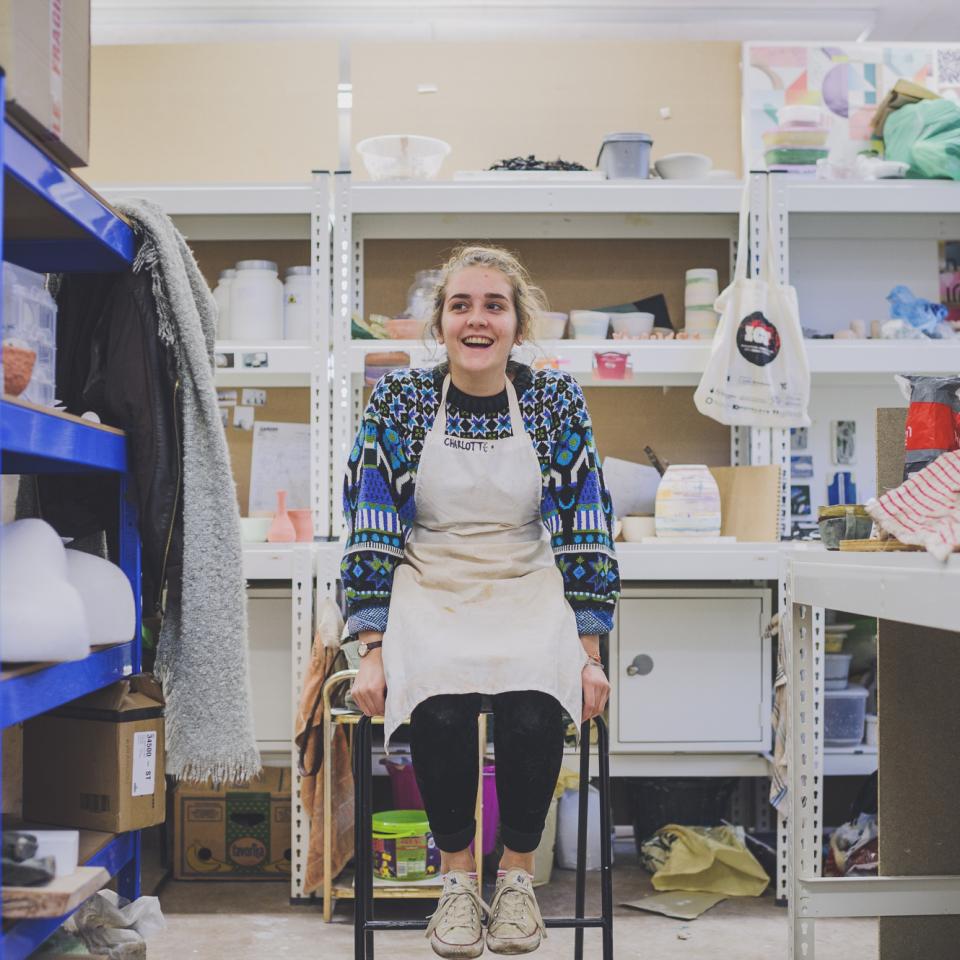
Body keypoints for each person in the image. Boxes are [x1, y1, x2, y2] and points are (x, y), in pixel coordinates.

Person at [343, 245, 620, 958]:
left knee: (534, 703)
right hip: (429, 580)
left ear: (518, 324)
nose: (476, 319)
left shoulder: (553, 399)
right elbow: (372, 523)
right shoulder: (401, 401)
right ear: (440, 323)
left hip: (526, 578)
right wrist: (371, 651)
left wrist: (588, 651)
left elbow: (586, 517)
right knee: (439, 701)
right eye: (460, 305)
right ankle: (459, 886)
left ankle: (518, 880)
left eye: (493, 305)